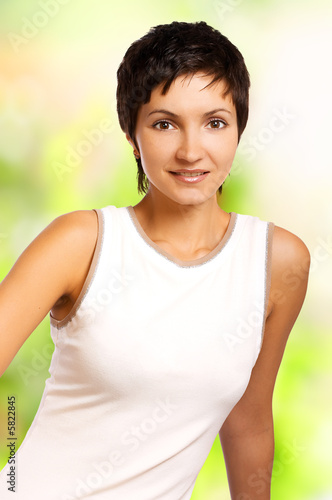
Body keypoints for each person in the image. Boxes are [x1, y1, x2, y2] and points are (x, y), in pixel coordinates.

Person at [0, 21, 310, 500]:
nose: (191, 151)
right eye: (164, 123)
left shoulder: (278, 262)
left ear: (239, 128)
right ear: (131, 134)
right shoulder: (82, 242)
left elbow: (249, 420)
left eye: (215, 123)